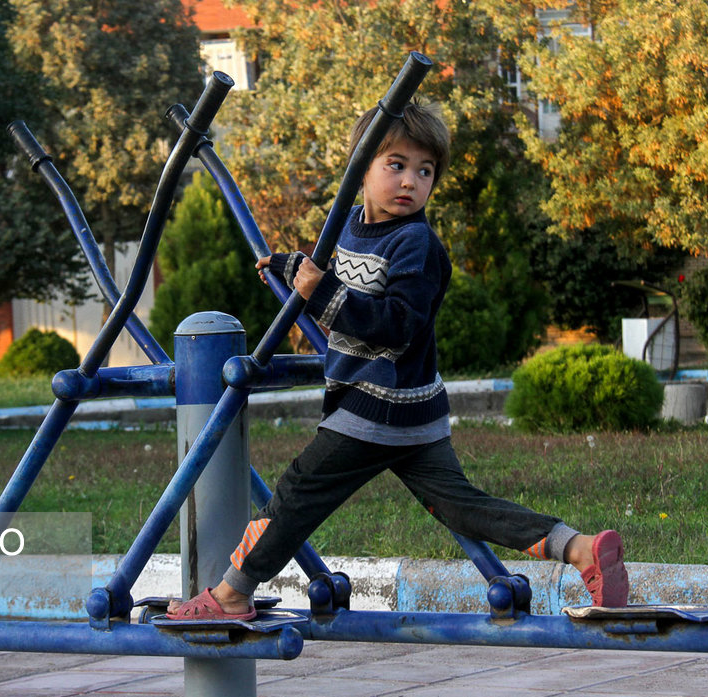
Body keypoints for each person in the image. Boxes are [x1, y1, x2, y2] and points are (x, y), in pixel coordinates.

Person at [167, 101, 629, 621]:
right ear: (360, 169)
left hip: (376, 407)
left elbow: (397, 324)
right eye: (396, 165)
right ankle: (580, 548)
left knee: (297, 495)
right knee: (460, 505)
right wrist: (292, 267)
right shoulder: (348, 225)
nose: (410, 181)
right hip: (410, 415)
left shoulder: (417, 243)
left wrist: (320, 296)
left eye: (424, 171)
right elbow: (339, 277)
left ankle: (231, 595)